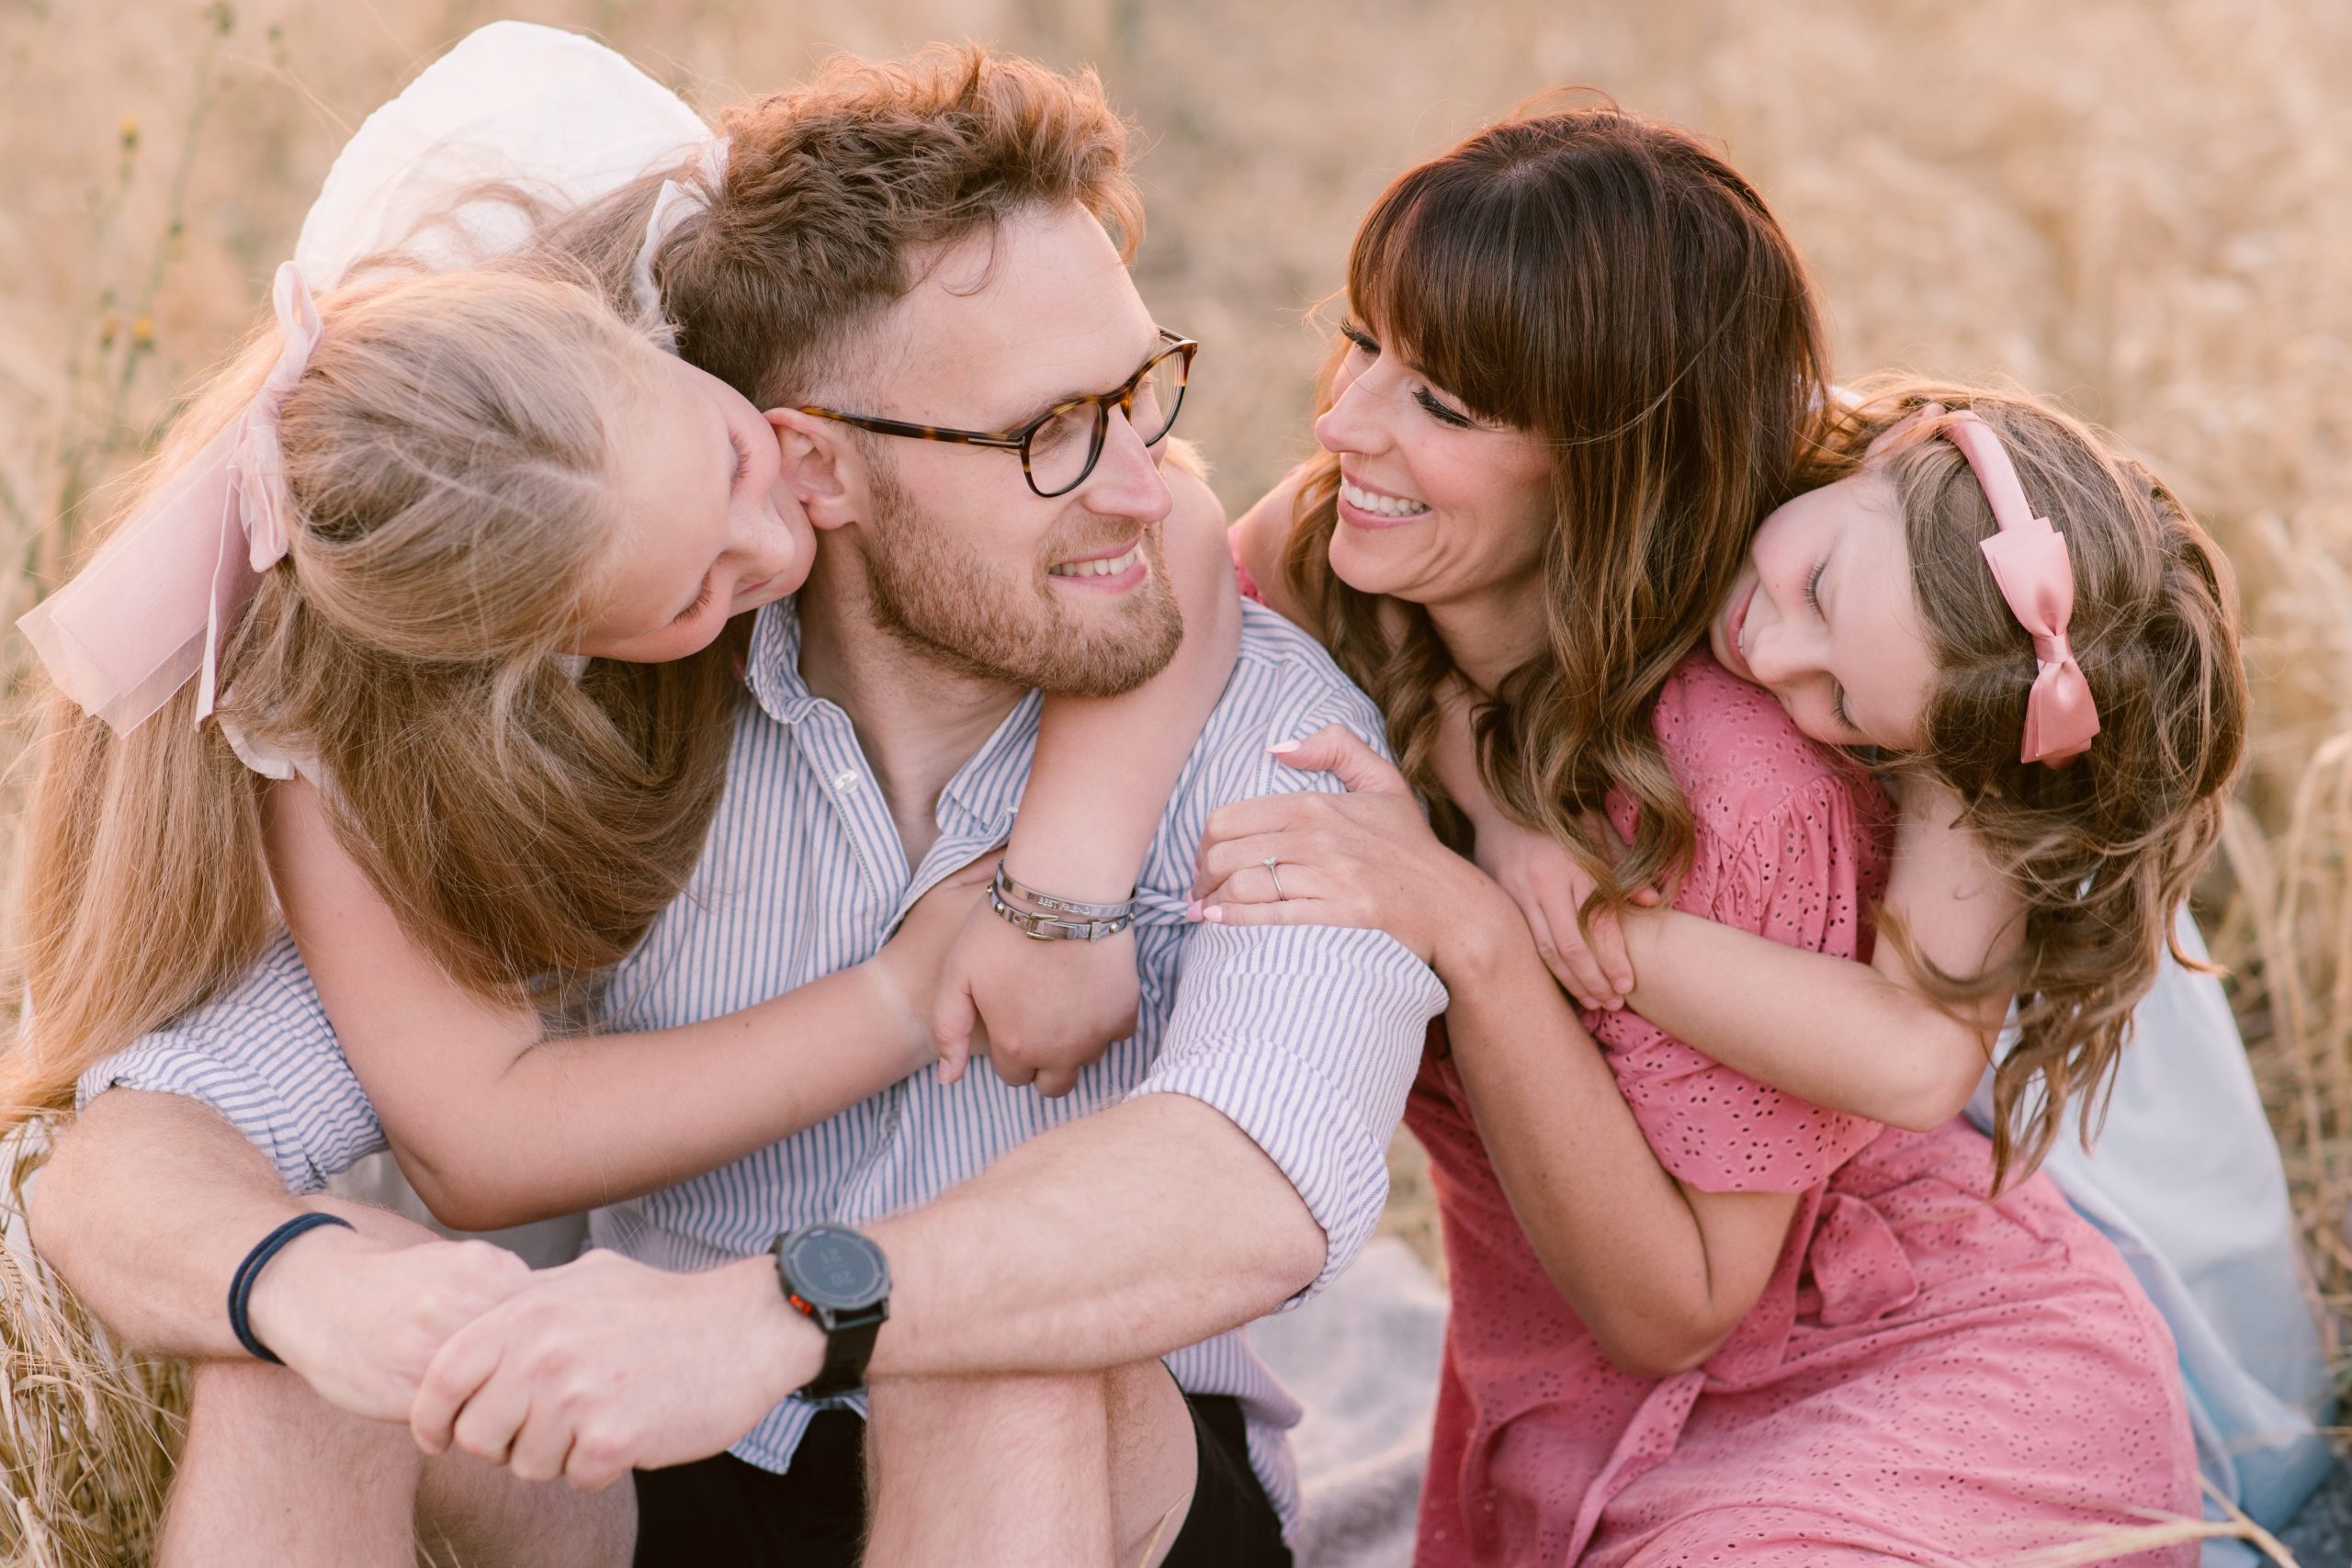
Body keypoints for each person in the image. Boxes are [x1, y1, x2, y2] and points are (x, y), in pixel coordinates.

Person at [24, 32, 1443, 1568]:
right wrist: (312, 1285)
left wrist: (783, 1309)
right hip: (680, 1472)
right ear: (806, 463)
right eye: (1049, 433)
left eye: (1139, 390)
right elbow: (137, 1148)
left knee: (991, 1364)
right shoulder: (630, 739)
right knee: (333, 1344)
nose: (1140, 479)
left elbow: (1252, 1187)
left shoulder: (1272, 734)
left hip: (1105, 1488)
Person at [1206, 105, 2209, 1563]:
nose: (1344, 423)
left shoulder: (1761, 772)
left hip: (1910, 1386)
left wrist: (1489, 929)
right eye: (1363, 344)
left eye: (1446, 406)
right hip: (1575, 1413)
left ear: (1612, 461)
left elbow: (1710, 1272)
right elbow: (1169, 616)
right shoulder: (1340, 549)